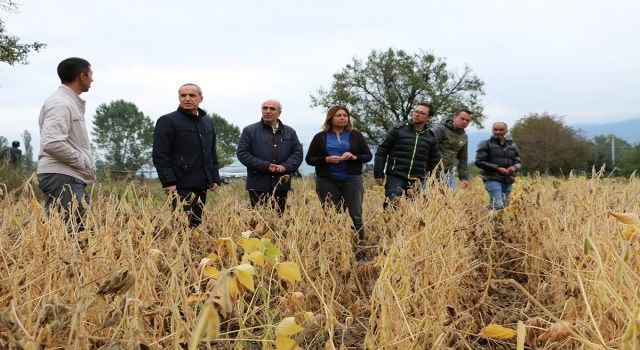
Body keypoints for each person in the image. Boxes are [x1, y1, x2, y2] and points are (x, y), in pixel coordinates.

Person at [36, 57, 96, 230]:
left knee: (70, 232)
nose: (92, 79)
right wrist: (82, 161)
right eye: (91, 74)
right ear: (82, 76)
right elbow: (52, 142)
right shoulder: (61, 103)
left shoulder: (69, 102)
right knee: (75, 233)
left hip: (66, 175)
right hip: (63, 176)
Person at [305, 106, 372, 259]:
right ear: (331, 118)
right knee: (330, 215)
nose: (342, 118)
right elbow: (309, 159)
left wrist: (354, 157)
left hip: (352, 179)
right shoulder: (320, 137)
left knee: (356, 214)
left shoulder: (356, 136)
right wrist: (326, 160)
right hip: (327, 180)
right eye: (338, 115)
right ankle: (333, 249)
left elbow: (367, 156)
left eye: (345, 115)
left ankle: (361, 250)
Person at [152, 83, 220, 228]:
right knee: (180, 226)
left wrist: (214, 177)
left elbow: (211, 152)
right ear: (179, 97)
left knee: (196, 224)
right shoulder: (168, 121)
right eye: (183, 95)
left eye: (192, 95)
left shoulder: (206, 122)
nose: (187, 98)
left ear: (201, 98)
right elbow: (160, 154)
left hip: (201, 184)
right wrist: (168, 181)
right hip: (180, 184)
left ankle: (193, 250)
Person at [237, 99, 303, 213]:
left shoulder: (289, 132)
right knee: (259, 220)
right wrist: (265, 166)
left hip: (281, 185)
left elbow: (297, 154)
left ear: (279, 113)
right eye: (265, 108)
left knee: (279, 220)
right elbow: (242, 153)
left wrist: (285, 167)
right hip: (258, 185)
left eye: (272, 109)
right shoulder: (249, 131)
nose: (268, 111)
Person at [373, 103, 440, 209]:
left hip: (418, 179)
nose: (417, 114)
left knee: (417, 210)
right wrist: (378, 173)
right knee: (391, 207)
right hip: (396, 175)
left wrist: (434, 182)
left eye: (422, 113)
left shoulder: (431, 137)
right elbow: (381, 151)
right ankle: (390, 226)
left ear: (429, 117)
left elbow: (435, 161)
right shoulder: (397, 130)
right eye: (416, 111)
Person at [475, 122, 522, 210]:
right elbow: (479, 162)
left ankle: (487, 220)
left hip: (508, 180)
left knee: (503, 207)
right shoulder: (485, 144)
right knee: (497, 205)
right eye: (495, 129)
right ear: (492, 130)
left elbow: (518, 162)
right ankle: (486, 220)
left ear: (506, 131)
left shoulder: (513, 145)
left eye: (501, 130)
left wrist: (514, 167)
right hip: (492, 179)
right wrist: (497, 168)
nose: (498, 132)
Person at [431, 109, 473, 187]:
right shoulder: (440, 129)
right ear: (454, 118)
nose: (464, 122)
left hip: (447, 171)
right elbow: (427, 147)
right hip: (431, 170)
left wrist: (464, 178)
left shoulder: (464, 137)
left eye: (467, 120)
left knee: (452, 196)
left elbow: (463, 158)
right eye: (462, 118)